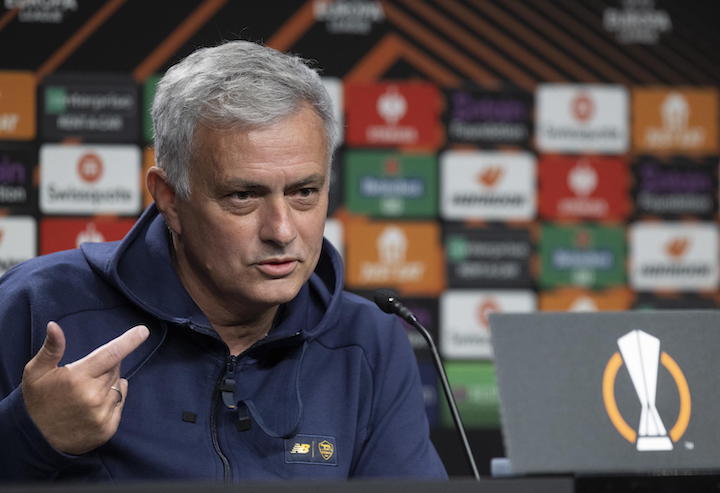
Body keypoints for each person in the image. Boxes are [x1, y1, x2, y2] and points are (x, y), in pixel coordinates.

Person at [0, 41, 447, 481]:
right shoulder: (38, 306)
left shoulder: (367, 341)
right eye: (243, 196)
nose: (282, 231)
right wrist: (28, 437)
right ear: (170, 199)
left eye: (304, 192)